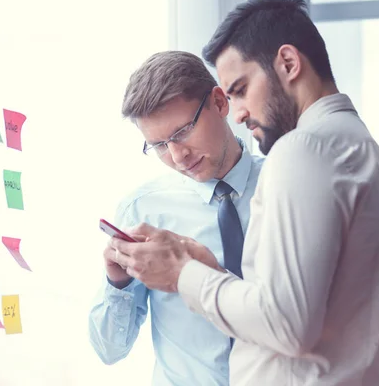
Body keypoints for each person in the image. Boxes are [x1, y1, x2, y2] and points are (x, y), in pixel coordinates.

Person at [109, 0, 379, 386]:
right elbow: (309, 311)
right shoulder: (365, 151)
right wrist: (213, 273)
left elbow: (285, 325)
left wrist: (181, 272)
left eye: (240, 89)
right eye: (160, 145)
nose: (239, 112)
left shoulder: (302, 150)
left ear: (288, 64)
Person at [88, 50, 264, 386]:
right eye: (158, 145)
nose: (177, 156)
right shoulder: (143, 209)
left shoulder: (284, 188)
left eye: (182, 132)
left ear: (219, 102)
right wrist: (118, 284)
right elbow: (109, 349)